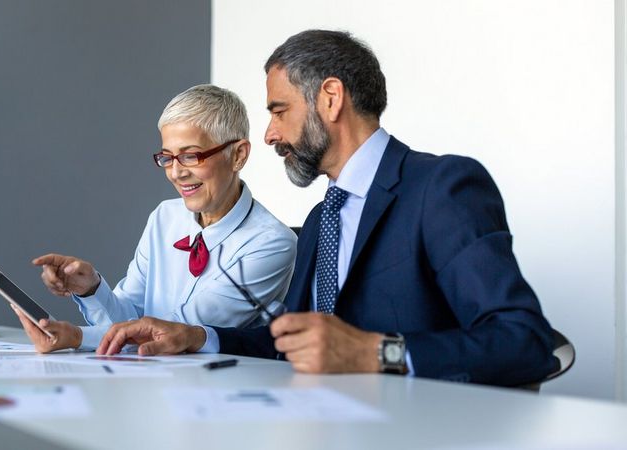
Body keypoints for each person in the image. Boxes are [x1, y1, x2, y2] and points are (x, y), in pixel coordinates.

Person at [95, 30, 559, 387]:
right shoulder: (322, 219)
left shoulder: (441, 188)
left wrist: (377, 354)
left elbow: (525, 342)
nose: (271, 135)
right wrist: (198, 337)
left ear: (330, 99)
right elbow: (288, 343)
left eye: (279, 111)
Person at [13, 84, 297, 353]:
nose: (176, 173)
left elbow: (176, 331)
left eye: (190, 156)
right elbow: (128, 318)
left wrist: (75, 337)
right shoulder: (165, 217)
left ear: (238, 156)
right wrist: (91, 290)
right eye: (167, 157)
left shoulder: (272, 244)